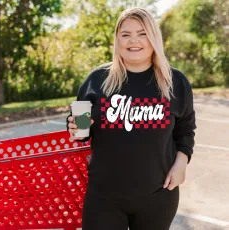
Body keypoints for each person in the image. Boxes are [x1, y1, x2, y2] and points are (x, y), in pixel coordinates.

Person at [66, 7, 196, 230]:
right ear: (117, 40)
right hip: (104, 198)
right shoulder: (97, 81)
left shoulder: (175, 82)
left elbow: (185, 129)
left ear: (154, 37)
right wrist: (76, 129)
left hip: (158, 195)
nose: (133, 40)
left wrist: (181, 164)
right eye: (125, 34)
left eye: (142, 33)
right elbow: (80, 134)